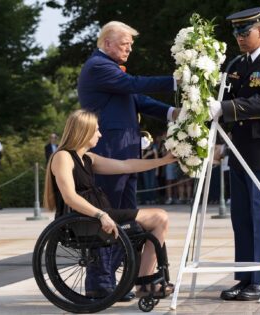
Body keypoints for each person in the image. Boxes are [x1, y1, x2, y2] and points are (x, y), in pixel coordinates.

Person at [77, 21, 178, 300]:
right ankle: (99, 282)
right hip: (109, 152)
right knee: (109, 215)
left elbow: (139, 99)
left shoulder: (112, 70)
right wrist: (176, 80)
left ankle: (121, 279)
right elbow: (134, 85)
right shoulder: (99, 67)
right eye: (125, 44)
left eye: (130, 45)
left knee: (127, 218)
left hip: (126, 151)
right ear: (108, 43)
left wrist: (173, 113)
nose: (129, 49)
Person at [43, 109, 176, 297]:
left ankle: (145, 283)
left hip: (96, 215)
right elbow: (69, 197)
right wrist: (101, 215)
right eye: (96, 130)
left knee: (159, 219)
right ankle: (145, 285)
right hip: (84, 220)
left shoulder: (88, 158)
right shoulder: (62, 156)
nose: (100, 134)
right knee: (159, 217)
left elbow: (127, 165)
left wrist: (164, 161)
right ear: (84, 131)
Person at [208, 7, 260, 301]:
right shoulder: (237, 65)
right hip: (239, 148)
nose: (240, 38)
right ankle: (246, 279)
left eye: (246, 32)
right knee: (241, 217)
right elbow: (223, 98)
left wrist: (227, 109)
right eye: (237, 33)